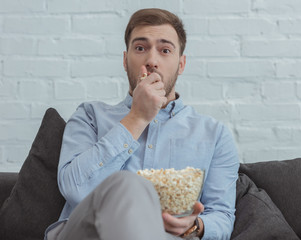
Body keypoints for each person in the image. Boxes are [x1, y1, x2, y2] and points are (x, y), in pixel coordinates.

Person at [44, 8, 239, 240]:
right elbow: (75, 189)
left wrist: (194, 226)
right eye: (140, 48)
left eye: (165, 50)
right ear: (126, 61)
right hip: (88, 234)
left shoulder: (214, 135)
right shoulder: (89, 116)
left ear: (181, 64)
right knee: (128, 184)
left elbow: (222, 217)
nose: (152, 60)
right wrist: (137, 118)